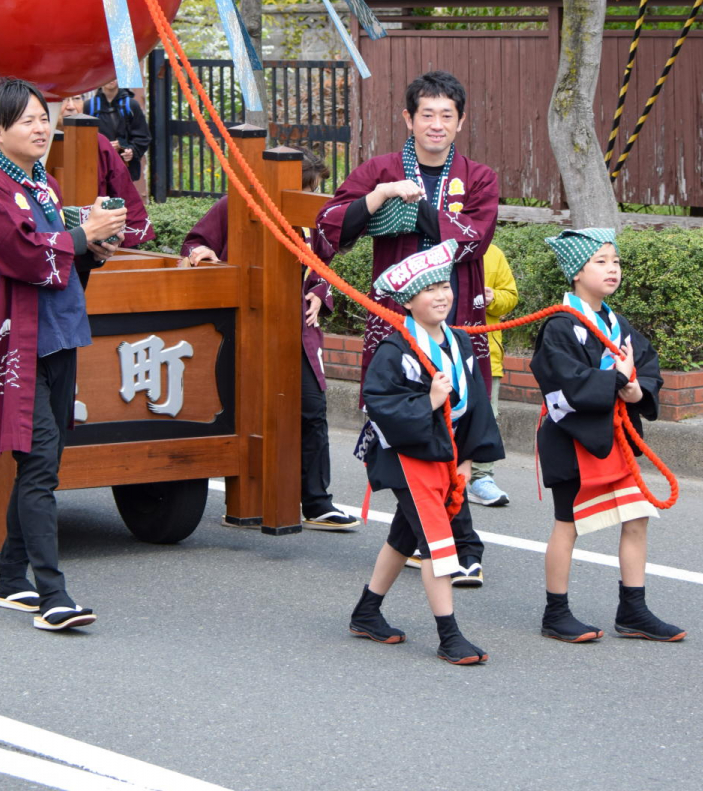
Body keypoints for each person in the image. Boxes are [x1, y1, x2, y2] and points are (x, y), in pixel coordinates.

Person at [0, 78, 127, 632]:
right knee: (38, 463)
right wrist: (81, 236)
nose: (40, 126)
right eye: (26, 120)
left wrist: (95, 245)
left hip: (56, 333)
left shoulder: (44, 185)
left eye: (42, 117)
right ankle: (52, 594)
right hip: (16, 341)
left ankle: (11, 580)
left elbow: (62, 263)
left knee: (42, 462)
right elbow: (23, 255)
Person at [317, 70, 499, 585]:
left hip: (455, 319)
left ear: (460, 121)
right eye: (427, 114)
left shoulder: (479, 177)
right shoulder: (378, 169)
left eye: (447, 115)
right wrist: (378, 200)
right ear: (408, 119)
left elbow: (473, 239)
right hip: (395, 326)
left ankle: (443, 541)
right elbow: (329, 223)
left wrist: (413, 207)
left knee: (454, 418)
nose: (436, 124)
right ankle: (452, 541)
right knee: (401, 422)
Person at [181, 150, 358, 530]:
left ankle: (316, 501)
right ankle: (248, 497)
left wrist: (318, 292)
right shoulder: (235, 206)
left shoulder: (313, 220)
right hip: (241, 327)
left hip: (296, 329)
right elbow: (194, 243)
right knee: (241, 412)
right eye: (309, 188)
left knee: (311, 410)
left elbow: (322, 265)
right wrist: (204, 257)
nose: (314, 196)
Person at [348, 240, 503, 665]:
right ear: (408, 301)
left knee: (403, 536)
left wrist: (469, 459)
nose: (441, 295)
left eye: (444, 285)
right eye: (428, 289)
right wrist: (431, 402)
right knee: (439, 544)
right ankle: (449, 635)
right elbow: (379, 403)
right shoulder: (395, 349)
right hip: (406, 455)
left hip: (447, 454)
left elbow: (477, 405)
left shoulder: (461, 342)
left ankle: (366, 612)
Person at [531, 227, 685, 644]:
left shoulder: (616, 322)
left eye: (615, 261)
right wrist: (613, 379)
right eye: (600, 261)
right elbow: (560, 380)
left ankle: (633, 609)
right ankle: (555, 612)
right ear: (576, 272)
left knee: (637, 517)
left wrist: (637, 389)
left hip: (613, 439)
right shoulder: (561, 325)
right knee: (569, 524)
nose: (612, 269)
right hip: (572, 438)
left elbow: (646, 364)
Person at [61, 94, 155, 248]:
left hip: (98, 245)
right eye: (63, 99)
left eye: (77, 99)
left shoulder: (98, 142)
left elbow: (123, 190)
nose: (70, 106)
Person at [468, 242, 517, 507]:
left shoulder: (494, 252)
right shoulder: (437, 247)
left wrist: (494, 298)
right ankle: (438, 474)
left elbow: (511, 296)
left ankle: (481, 478)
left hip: (487, 354)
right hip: (442, 348)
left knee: (488, 417)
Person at [83, 78, 151, 182]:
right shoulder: (89, 106)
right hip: (98, 169)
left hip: (124, 170)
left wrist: (130, 150)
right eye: (108, 74)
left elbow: (143, 137)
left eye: (115, 74)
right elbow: (83, 139)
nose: (111, 78)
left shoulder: (131, 105)